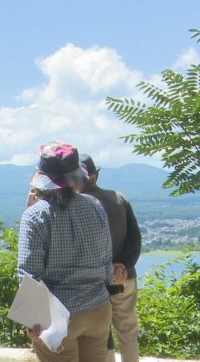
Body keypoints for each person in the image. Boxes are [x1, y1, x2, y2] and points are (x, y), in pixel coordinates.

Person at [18, 141, 114, 362]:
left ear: (43, 178)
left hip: (58, 316)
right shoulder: (95, 206)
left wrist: (33, 319)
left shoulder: (35, 216)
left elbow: (28, 275)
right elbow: (107, 261)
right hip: (99, 308)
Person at [80, 154, 141, 362]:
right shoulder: (119, 197)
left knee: (102, 334)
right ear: (96, 175)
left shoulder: (80, 204)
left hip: (96, 280)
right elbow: (135, 238)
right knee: (128, 331)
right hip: (126, 278)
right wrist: (123, 266)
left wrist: (109, 269)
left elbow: (86, 246)